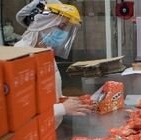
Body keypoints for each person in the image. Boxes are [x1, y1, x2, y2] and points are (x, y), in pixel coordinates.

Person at [15, 0, 90, 128]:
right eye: (61, 27)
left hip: (50, 127)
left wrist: (64, 100)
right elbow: (22, 111)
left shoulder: (46, 52)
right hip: (33, 134)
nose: (63, 33)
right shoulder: (19, 56)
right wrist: (62, 108)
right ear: (42, 23)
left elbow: (48, 91)